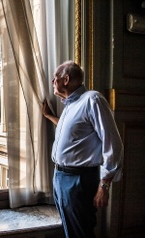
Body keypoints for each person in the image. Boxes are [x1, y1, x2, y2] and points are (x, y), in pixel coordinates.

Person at [42, 61, 123, 238]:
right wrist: (49, 116)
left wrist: (104, 185)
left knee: (81, 232)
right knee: (70, 230)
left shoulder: (92, 100)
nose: (52, 82)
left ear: (66, 79)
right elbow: (74, 132)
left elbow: (113, 144)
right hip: (61, 177)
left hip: (79, 179)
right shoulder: (70, 104)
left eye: (55, 78)